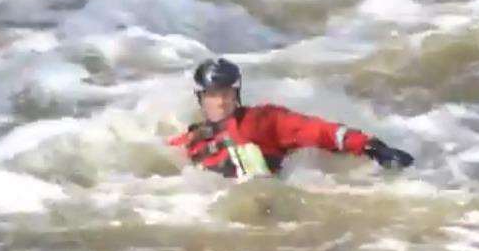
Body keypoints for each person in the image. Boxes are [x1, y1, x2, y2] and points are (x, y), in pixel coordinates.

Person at [168, 57, 414, 179]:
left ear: (237, 94)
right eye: (213, 95)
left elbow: (318, 130)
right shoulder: (191, 140)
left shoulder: (263, 120)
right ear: (201, 98)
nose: (221, 102)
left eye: (226, 94)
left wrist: (372, 147)